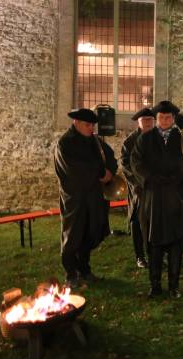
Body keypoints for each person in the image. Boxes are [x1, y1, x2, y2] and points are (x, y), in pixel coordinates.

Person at [131, 100, 183, 299]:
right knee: (154, 243)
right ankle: (155, 286)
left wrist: (182, 176)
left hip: (177, 198)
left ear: (173, 119)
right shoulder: (145, 140)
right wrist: (150, 179)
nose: (165, 120)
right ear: (156, 119)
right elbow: (136, 162)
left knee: (176, 243)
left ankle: (174, 286)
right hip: (154, 198)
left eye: (169, 117)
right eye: (162, 117)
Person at [54, 108, 118, 287]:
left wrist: (110, 172)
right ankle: (71, 274)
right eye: (87, 125)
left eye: (93, 125)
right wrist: (100, 173)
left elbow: (110, 158)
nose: (91, 128)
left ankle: (85, 269)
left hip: (94, 197)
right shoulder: (65, 143)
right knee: (73, 235)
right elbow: (75, 169)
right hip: (75, 198)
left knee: (92, 232)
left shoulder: (95, 141)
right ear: (76, 123)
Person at [120, 108, 154, 269]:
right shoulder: (130, 142)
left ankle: (154, 254)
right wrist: (139, 182)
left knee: (155, 222)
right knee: (137, 222)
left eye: (150, 119)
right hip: (138, 190)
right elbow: (126, 165)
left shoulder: (159, 138)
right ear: (138, 122)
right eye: (144, 120)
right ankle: (140, 256)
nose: (148, 122)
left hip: (155, 189)